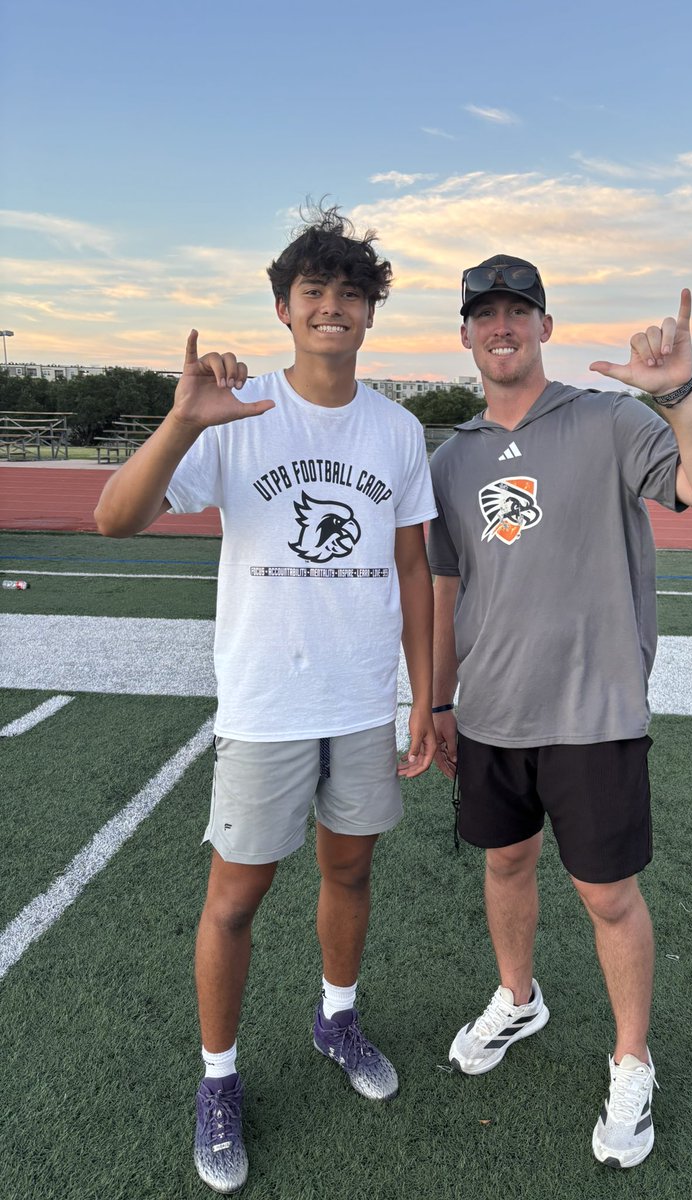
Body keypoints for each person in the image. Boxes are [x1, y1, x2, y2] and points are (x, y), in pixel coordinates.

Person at [94, 205, 438, 1194]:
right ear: (285, 309)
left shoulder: (397, 429)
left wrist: (425, 694)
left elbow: (413, 568)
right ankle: (218, 1079)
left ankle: (336, 1017)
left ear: (370, 313)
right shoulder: (234, 413)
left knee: (351, 871)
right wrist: (179, 420)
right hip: (264, 704)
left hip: (362, 699)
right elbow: (114, 519)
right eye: (314, 293)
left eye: (350, 294)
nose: (332, 308)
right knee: (236, 900)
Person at [428, 255, 692, 1170]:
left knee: (607, 894)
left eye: (517, 311)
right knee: (505, 861)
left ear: (544, 324)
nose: (502, 327)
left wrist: (681, 394)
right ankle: (518, 997)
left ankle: (631, 1057)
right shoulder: (453, 458)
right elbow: (451, 583)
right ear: (464, 333)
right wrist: (442, 699)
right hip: (490, 709)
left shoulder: (608, 420)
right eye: (484, 314)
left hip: (593, 708)